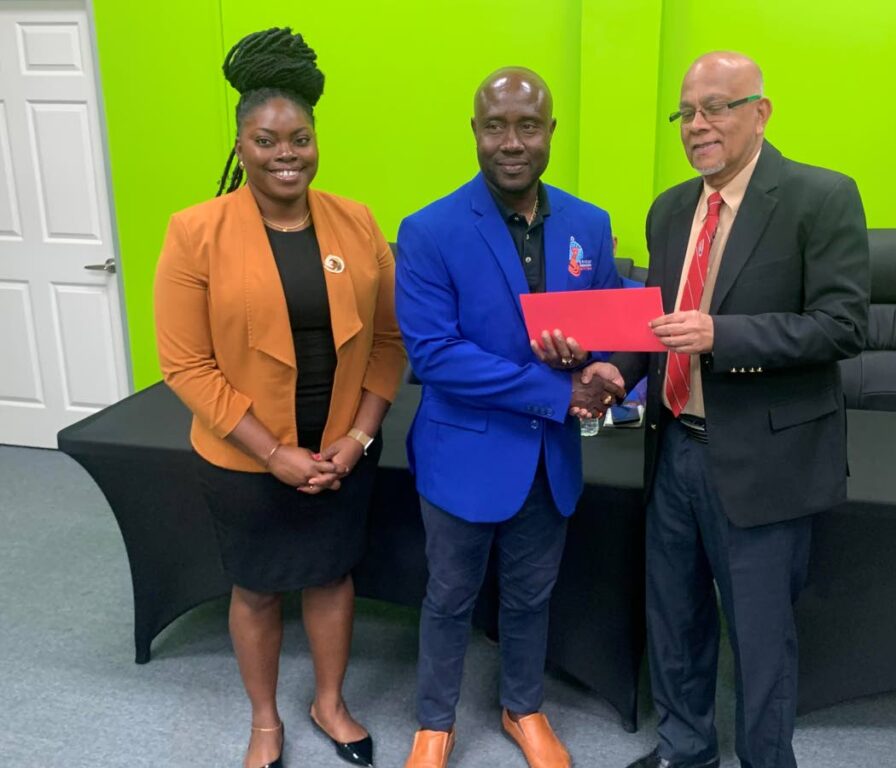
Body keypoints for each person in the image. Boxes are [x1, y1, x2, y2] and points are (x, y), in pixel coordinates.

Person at [601, 52, 870, 768]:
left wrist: (726, 336)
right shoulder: (670, 210)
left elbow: (844, 325)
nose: (698, 125)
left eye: (717, 107)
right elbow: (654, 329)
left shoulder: (821, 197)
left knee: (759, 640)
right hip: (674, 452)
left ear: (761, 111)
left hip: (765, 460)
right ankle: (686, 751)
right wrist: (608, 369)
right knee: (676, 622)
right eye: (687, 112)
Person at [153, 28, 405, 768]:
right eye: (267, 140)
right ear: (241, 144)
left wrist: (355, 442)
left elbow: (390, 343)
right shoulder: (195, 232)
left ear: (316, 139)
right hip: (244, 458)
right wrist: (274, 453)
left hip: (342, 450)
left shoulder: (357, 221)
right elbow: (186, 366)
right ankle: (265, 720)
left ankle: (330, 702)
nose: (286, 153)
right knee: (258, 589)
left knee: (331, 575)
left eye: (300, 137)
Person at [394, 67, 625, 768]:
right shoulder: (429, 229)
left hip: (548, 458)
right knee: (450, 596)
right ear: (475, 132)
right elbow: (436, 356)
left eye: (528, 125)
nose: (512, 142)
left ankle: (523, 707)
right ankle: (434, 722)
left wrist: (606, 368)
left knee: (531, 594)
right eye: (496, 126)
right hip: (464, 452)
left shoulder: (589, 223)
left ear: (550, 132)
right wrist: (560, 394)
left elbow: (610, 319)